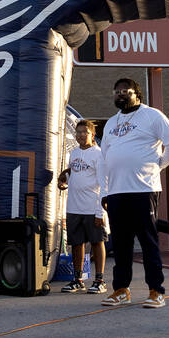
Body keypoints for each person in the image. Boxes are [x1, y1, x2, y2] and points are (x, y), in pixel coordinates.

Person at [98, 78, 169, 309]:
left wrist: (157, 166)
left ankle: (156, 291)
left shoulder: (152, 116)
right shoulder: (110, 123)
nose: (120, 95)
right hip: (116, 192)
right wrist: (105, 191)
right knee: (121, 244)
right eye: (116, 92)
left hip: (143, 189)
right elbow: (104, 159)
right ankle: (121, 289)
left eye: (125, 91)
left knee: (148, 242)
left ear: (137, 93)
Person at [57, 119, 106, 294]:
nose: (80, 135)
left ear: (92, 135)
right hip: (74, 207)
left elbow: (103, 183)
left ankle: (99, 280)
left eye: (84, 132)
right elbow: (76, 174)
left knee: (96, 242)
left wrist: (100, 211)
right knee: (77, 244)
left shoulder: (99, 154)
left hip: (92, 207)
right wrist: (64, 179)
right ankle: (78, 279)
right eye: (78, 132)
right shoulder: (74, 153)